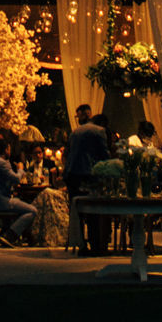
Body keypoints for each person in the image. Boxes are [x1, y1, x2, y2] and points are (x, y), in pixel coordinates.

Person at [63, 105, 111, 255]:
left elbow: (69, 153)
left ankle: (80, 244)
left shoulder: (75, 132)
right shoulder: (99, 131)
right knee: (93, 210)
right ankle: (96, 245)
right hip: (87, 173)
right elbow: (104, 156)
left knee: (77, 211)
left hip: (71, 174)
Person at [0, 141, 38, 246]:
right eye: (9, 149)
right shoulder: (3, 163)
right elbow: (16, 179)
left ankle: (4, 232)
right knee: (32, 211)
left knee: (20, 204)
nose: (10, 152)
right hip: (1, 201)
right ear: (6, 150)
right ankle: (9, 235)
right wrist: (20, 169)